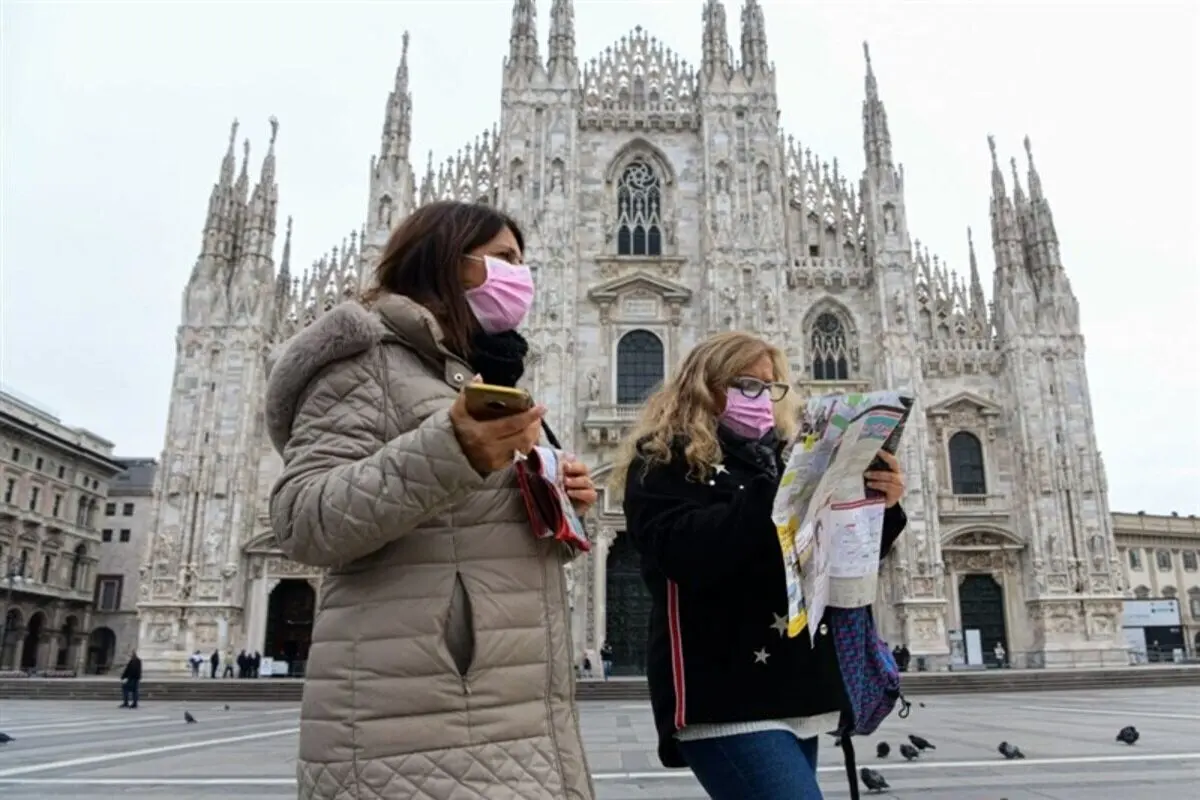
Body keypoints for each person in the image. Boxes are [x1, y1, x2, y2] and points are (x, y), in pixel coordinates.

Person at [265, 201, 597, 800]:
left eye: (523, 263)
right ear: (449, 262)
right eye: (504, 260)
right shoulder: (367, 362)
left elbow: (467, 532)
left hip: (515, 709)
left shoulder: (484, 374)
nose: (521, 277)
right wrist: (453, 450)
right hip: (414, 719)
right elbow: (302, 518)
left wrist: (561, 505)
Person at [612, 331, 908, 800]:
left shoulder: (779, 456)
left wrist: (878, 505)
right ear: (707, 386)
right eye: (747, 384)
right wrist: (787, 486)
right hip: (724, 692)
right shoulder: (661, 460)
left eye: (770, 387)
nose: (762, 398)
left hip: (794, 683)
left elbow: (828, 558)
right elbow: (684, 553)